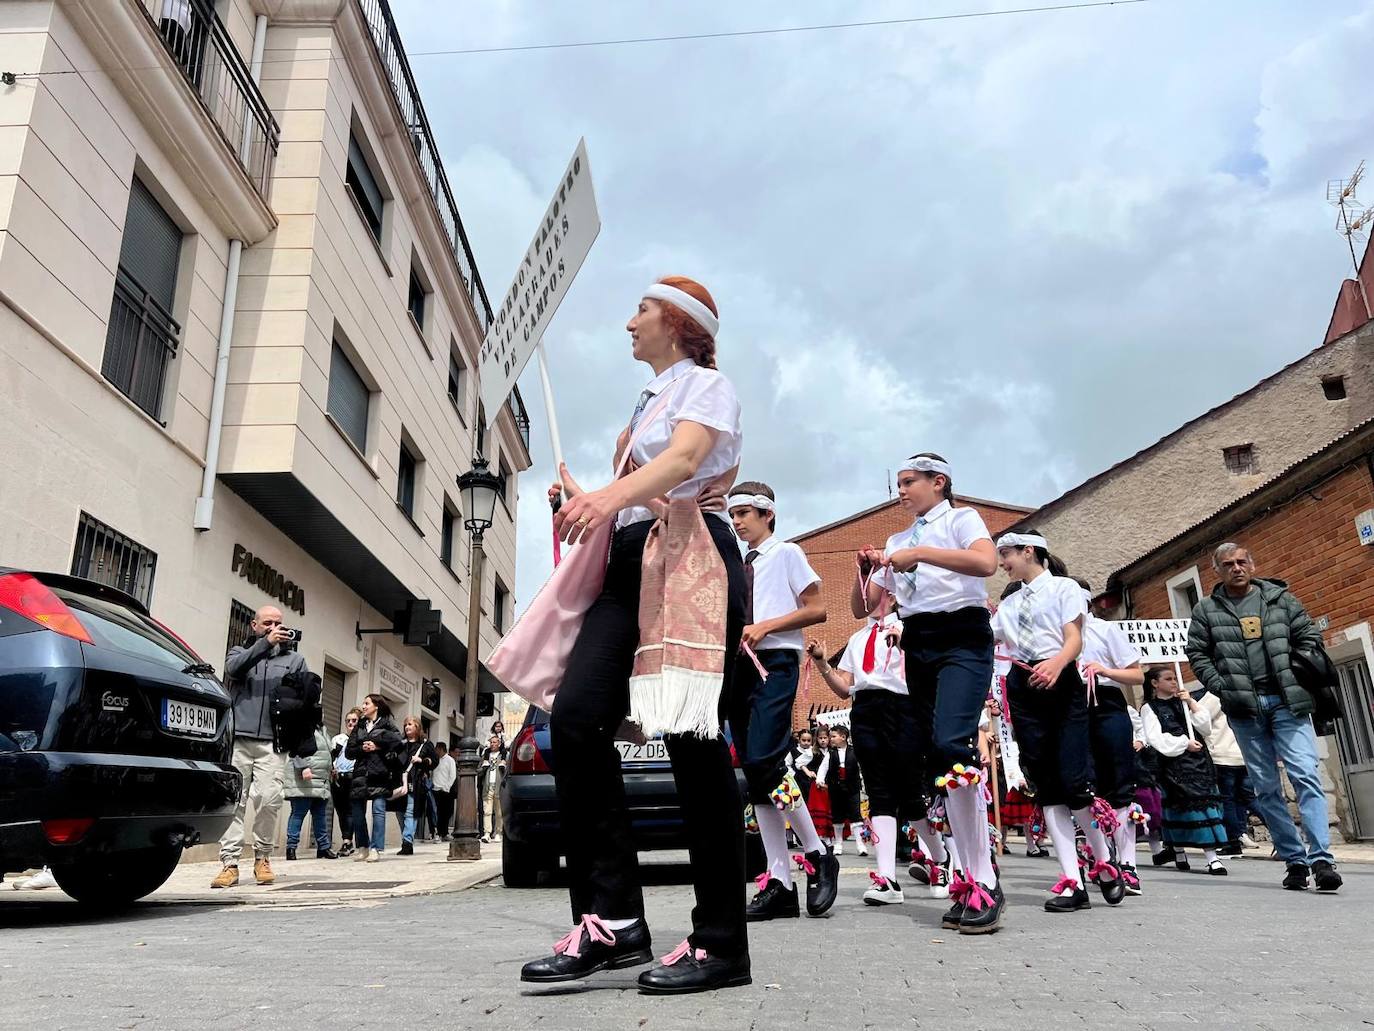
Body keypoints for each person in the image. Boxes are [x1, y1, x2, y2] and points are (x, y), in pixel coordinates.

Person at [518, 277, 752, 993]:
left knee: (691, 735)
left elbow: (683, 463)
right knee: (579, 716)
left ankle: (720, 940)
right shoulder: (646, 401)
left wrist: (605, 496)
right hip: (629, 558)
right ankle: (614, 920)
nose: (629, 322)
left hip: (689, 557)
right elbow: (646, 486)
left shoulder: (706, 387)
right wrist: (585, 496)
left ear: (678, 323)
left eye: (641, 311)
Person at [854, 454, 1004, 934]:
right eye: (897, 483)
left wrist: (921, 555)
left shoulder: (961, 519)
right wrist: (865, 570)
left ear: (938, 482)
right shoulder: (898, 540)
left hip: (961, 634)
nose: (901, 491)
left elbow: (985, 563)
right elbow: (865, 607)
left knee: (951, 744)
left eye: (908, 482)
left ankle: (983, 878)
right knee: (938, 762)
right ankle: (970, 874)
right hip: (919, 639)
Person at [1184, 543, 1341, 892]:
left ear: (1252, 564)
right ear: (1218, 571)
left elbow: (1310, 636)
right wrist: (1220, 685)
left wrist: (1294, 667)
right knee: (1267, 789)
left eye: (1242, 562)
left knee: (1305, 775)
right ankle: (1295, 860)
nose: (1237, 568)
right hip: (1244, 708)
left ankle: (1322, 859)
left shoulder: (1281, 599)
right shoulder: (1207, 610)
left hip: (1288, 701)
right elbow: (1197, 652)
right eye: (1228, 564)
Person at [990, 531, 1126, 913]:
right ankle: (1072, 881)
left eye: (1006, 555)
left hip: (1061, 679)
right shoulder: (1010, 603)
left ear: (1028, 551)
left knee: (1074, 781)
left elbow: (1074, 638)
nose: (1002, 563)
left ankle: (1103, 861)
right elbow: (987, 637)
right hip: (1023, 683)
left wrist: (1057, 664)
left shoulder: (1065, 589)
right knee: (1047, 786)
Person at [726, 481, 837, 923]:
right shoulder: (734, 560)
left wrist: (767, 626)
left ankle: (817, 852)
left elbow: (817, 608)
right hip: (739, 664)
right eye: (732, 515)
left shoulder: (786, 553)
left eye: (744, 515)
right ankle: (779, 882)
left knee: (766, 758)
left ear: (767, 514)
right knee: (754, 771)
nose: (736, 523)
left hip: (775, 660)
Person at [808, 599, 942, 906]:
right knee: (879, 792)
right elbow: (844, 688)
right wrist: (822, 663)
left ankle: (940, 858)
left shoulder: (911, 628)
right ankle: (887, 880)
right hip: (866, 710)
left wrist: (908, 639)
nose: (865, 598)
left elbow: (928, 670)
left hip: (905, 707)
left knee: (910, 793)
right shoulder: (858, 638)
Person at [214, 605, 317, 889]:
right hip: (239, 740)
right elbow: (233, 669)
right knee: (235, 801)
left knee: (270, 800)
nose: (274, 628)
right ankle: (229, 863)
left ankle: (263, 857)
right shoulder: (239, 653)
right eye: (268, 623)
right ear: (254, 625)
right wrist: (264, 645)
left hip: (274, 742)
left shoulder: (295, 659)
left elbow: (302, 704)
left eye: (278, 624)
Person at [1077, 580, 1146, 893]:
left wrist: (1104, 670)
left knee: (1120, 783)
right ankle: (1100, 856)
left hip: (1107, 704)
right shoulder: (1053, 634)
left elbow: (1137, 674)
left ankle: (1128, 863)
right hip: (1072, 706)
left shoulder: (1104, 630)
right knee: (1085, 784)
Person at [1139, 667, 1228, 875]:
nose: (1174, 682)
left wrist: (1191, 702)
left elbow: (1204, 727)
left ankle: (1211, 857)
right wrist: (1183, 743)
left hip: (1199, 761)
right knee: (1178, 806)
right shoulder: (1149, 708)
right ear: (1154, 683)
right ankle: (1181, 852)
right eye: (1168, 679)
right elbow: (1155, 738)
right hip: (1174, 764)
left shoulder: (1184, 702)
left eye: (1174, 678)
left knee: (1205, 805)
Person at [346, 693, 403, 863]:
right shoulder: (360, 725)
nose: (363, 707)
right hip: (360, 774)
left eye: (367, 703)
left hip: (380, 773)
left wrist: (378, 746)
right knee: (357, 813)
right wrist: (363, 749)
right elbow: (349, 751)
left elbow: (398, 744)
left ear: (376, 706)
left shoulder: (387, 725)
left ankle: (375, 848)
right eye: (363, 704)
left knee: (378, 811)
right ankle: (362, 847)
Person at [284, 726, 337, 860]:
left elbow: (326, 752)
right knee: (298, 813)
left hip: (321, 779)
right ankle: (291, 848)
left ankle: (323, 848)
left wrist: (332, 768)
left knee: (320, 815)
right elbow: (294, 748)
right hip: (305, 777)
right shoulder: (302, 725)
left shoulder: (322, 729)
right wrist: (303, 767)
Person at [1127, 704, 1167, 869]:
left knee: (1152, 811)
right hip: (1117, 765)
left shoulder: (1127, 709)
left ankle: (1157, 852)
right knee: (1125, 817)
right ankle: (1123, 855)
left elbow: (1140, 727)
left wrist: (1140, 741)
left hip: (1138, 768)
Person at [823, 724, 866, 858]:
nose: (831, 739)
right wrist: (820, 779)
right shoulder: (830, 753)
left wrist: (865, 783)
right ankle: (838, 843)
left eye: (833, 736)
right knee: (837, 815)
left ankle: (860, 844)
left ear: (843, 737)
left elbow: (862, 767)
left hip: (852, 787)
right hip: (835, 788)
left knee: (855, 815)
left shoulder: (855, 751)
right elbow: (824, 767)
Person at [397, 716, 437, 856]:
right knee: (400, 812)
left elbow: (435, 761)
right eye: (405, 724)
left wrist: (422, 760)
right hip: (399, 782)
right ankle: (406, 839)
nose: (407, 727)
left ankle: (407, 842)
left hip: (415, 781)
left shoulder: (426, 745)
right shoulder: (400, 744)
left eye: (410, 724)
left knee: (410, 811)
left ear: (418, 727)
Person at [330, 707, 362, 857]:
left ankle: (347, 842)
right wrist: (332, 769)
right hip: (338, 779)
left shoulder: (362, 739)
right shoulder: (338, 739)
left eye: (354, 720)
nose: (350, 723)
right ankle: (347, 840)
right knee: (341, 811)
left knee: (350, 810)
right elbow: (331, 758)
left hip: (353, 778)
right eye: (348, 721)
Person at [479, 734, 507, 844]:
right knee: (487, 811)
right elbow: (479, 769)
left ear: (499, 744)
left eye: (495, 742)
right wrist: (482, 769)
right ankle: (487, 833)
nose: (492, 744)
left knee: (499, 812)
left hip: (499, 786)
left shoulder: (504, 755)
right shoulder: (485, 755)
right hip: (487, 786)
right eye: (491, 742)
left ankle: (499, 832)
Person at [432, 741, 457, 840]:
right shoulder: (435, 760)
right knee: (436, 812)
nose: (436, 751)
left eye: (437, 749)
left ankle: (444, 833)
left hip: (445, 790)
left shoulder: (450, 760)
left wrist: (447, 787)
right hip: (435, 789)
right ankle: (437, 833)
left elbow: (452, 775)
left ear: (441, 749)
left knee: (446, 812)